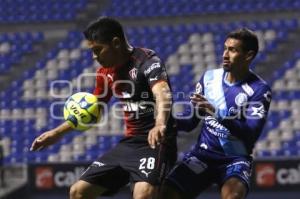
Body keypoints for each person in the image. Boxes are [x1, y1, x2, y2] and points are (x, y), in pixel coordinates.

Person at [30, 17, 177, 199]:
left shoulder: (147, 61)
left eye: (97, 50)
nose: (94, 57)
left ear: (115, 43)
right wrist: (57, 132)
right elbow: (94, 109)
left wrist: (160, 123)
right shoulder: (104, 74)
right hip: (129, 144)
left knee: (143, 194)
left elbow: (162, 93)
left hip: (156, 143)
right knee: (78, 192)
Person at [159, 28, 272, 199]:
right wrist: (162, 121)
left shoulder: (259, 89)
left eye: (233, 50)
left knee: (233, 196)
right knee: (166, 194)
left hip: (234, 159)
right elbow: (190, 122)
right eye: (225, 48)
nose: (225, 54)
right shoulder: (209, 78)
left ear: (248, 56)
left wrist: (215, 113)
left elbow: (251, 133)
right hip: (203, 155)